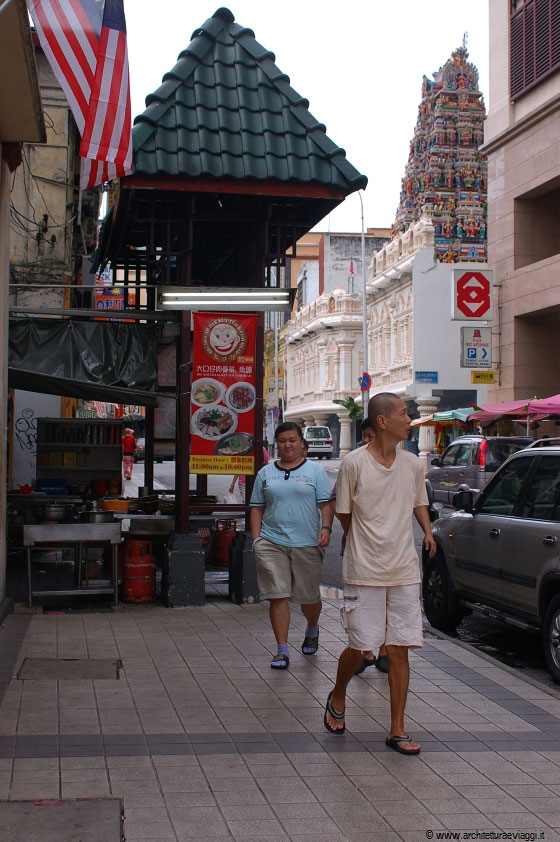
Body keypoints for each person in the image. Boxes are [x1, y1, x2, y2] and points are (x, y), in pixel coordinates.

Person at [324, 393, 437, 755]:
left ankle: (397, 729)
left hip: (404, 569)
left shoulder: (412, 465)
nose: (411, 419)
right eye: (405, 413)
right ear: (383, 421)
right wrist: (366, 539)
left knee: (400, 649)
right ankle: (338, 693)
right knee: (361, 647)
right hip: (364, 570)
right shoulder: (354, 464)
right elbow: (345, 513)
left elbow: (418, 500)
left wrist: (428, 531)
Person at [250, 422, 334, 669]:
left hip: (306, 543)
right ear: (277, 444)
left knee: (309, 598)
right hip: (271, 542)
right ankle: (282, 650)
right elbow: (257, 507)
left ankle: (312, 627)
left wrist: (326, 529)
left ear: (301, 444)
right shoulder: (265, 473)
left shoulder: (315, 471)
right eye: (283, 441)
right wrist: (257, 539)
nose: (287, 445)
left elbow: (325, 505)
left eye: (293, 440)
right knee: (278, 595)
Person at [329, 418, 388, 675]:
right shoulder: (354, 463)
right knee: (361, 600)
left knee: (387, 599)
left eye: (370, 435)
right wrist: (352, 531)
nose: (366, 440)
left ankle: (384, 650)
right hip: (357, 547)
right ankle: (364, 650)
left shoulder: (398, 464)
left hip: (390, 550)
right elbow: (336, 502)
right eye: (364, 435)